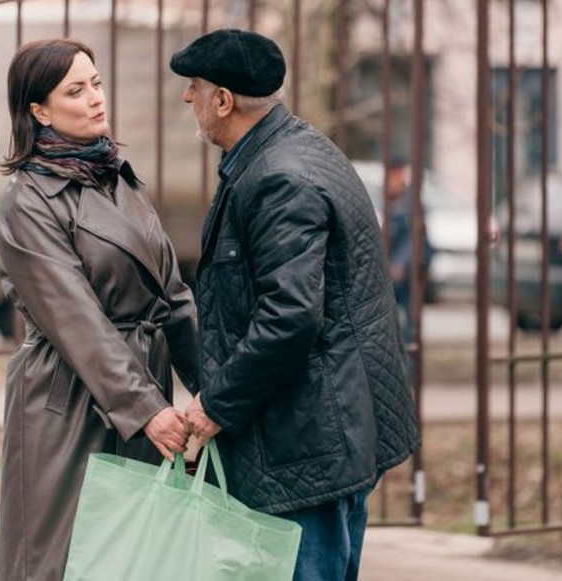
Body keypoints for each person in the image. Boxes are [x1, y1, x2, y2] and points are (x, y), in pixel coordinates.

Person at [170, 28, 420, 580]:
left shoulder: (279, 177)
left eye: (194, 86)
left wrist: (216, 406)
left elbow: (289, 317)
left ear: (223, 100)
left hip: (307, 442)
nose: (188, 98)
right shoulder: (293, 149)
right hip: (322, 431)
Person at [0, 38, 199, 580]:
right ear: (39, 111)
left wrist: (217, 392)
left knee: (131, 560)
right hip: (66, 402)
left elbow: (173, 297)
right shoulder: (27, 202)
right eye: (76, 90)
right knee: (59, 562)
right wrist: (147, 409)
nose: (95, 99)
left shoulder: (119, 178)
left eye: (97, 84)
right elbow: (75, 319)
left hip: (137, 388)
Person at [383, 154, 433, 345]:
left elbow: (415, 235)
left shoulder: (410, 199)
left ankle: (411, 362)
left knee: (411, 318)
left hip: (411, 266)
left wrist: (400, 263)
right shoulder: (390, 198)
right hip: (396, 267)